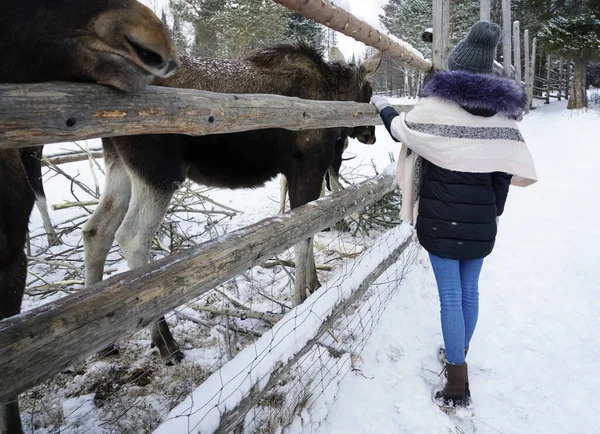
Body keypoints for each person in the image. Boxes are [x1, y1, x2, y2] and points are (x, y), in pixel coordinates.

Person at [371, 21, 537, 407]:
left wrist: (383, 106)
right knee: (469, 291)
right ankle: (457, 355)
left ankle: (456, 381)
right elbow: (504, 173)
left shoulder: (434, 110)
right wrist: (493, 213)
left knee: (450, 296)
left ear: (457, 68)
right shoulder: (503, 121)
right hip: (481, 222)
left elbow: (401, 130)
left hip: (439, 218)